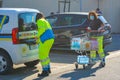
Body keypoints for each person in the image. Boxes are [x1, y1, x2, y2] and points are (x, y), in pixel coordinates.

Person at [36, 13, 54, 77]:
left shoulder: (39, 21)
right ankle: (48, 69)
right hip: (50, 39)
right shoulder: (45, 21)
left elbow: (42, 30)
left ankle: (45, 71)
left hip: (45, 39)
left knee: (42, 55)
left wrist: (36, 36)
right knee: (46, 55)